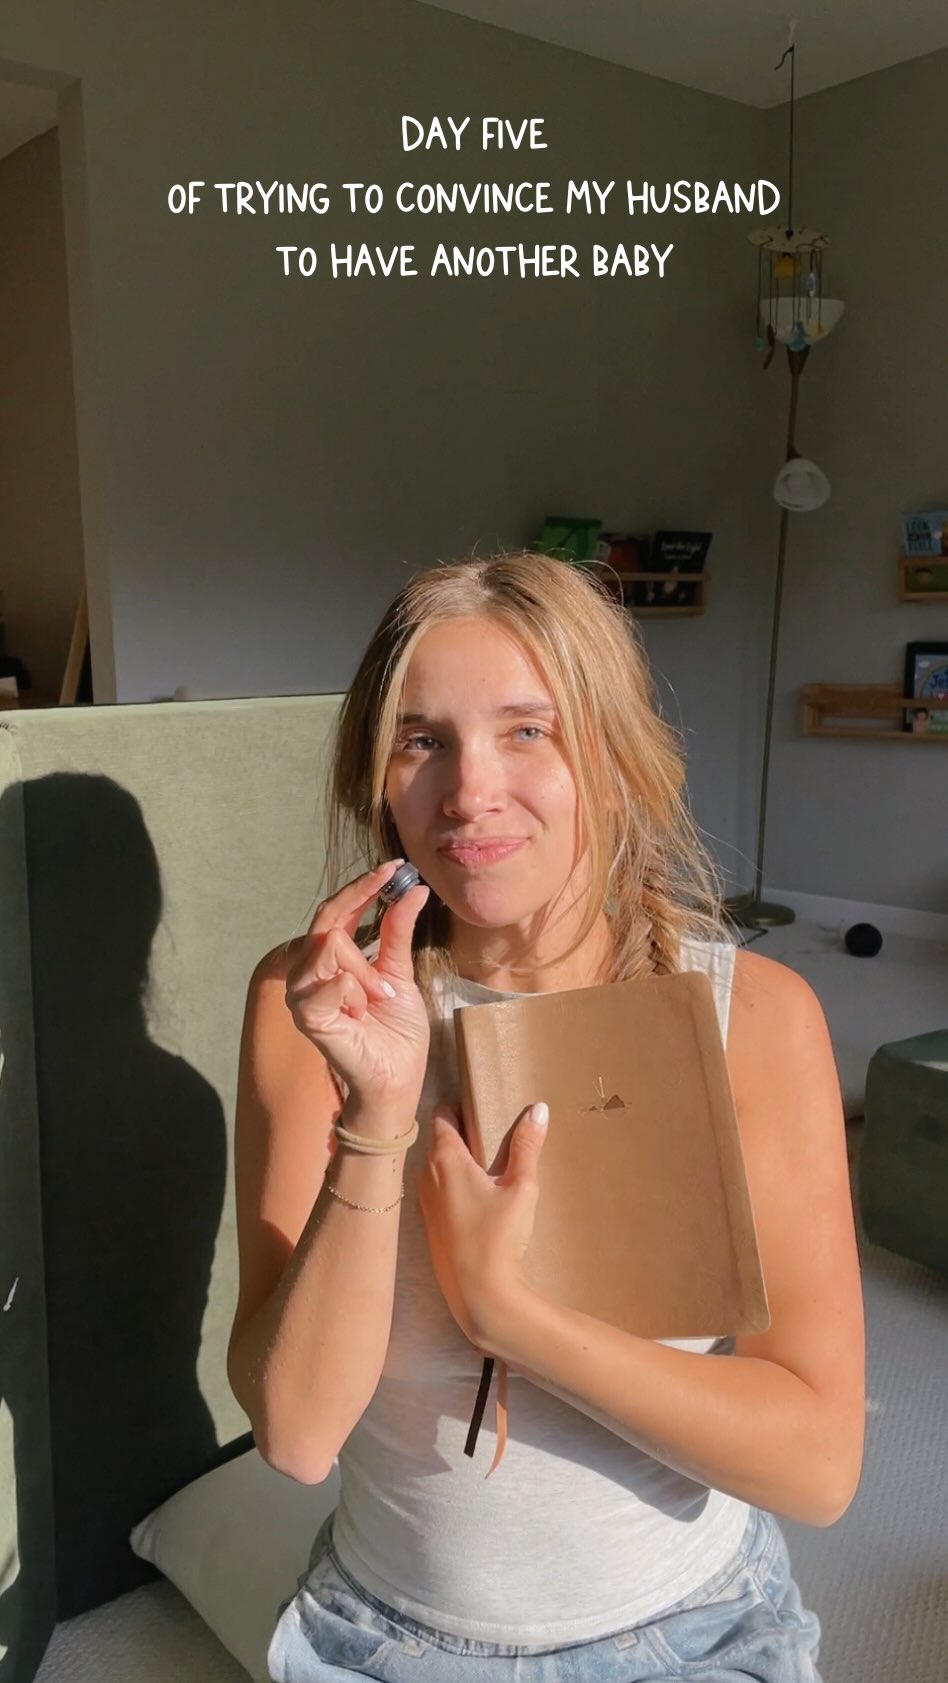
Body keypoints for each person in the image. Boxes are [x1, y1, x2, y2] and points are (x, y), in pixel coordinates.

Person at [227, 552, 865, 1682]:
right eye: (421, 739)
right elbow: (297, 1433)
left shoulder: (753, 1018)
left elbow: (818, 1467)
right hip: (381, 1636)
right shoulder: (310, 1003)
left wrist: (513, 1316)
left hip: (689, 1633)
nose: (469, 792)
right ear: (377, 776)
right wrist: (377, 1115)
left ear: (612, 758)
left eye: (528, 730)